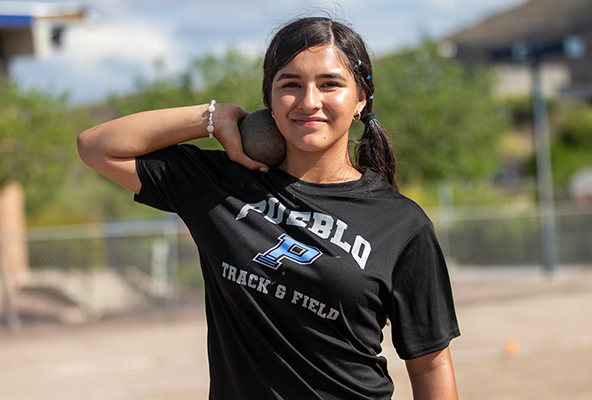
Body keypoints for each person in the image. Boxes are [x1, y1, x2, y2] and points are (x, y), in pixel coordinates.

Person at [77, 16, 460, 400]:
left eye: (330, 84)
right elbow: (96, 147)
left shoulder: (401, 223)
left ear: (360, 99)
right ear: (270, 99)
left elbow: (431, 362)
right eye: (290, 84)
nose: (309, 101)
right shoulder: (220, 186)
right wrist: (211, 117)